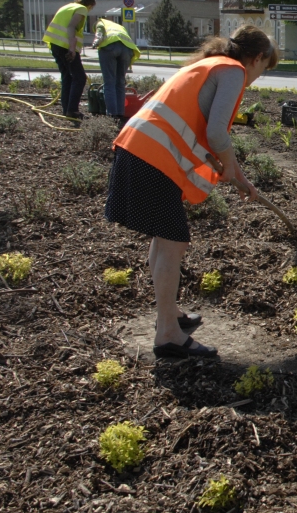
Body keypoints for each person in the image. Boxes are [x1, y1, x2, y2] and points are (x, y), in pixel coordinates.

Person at [104, 25, 277, 359]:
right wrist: (229, 165)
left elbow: (207, 135)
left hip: (137, 149)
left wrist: (236, 172)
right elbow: (215, 134)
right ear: (257, 58)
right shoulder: (233, 71)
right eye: (264, 69)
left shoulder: (207, 65)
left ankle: (172, 316)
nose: (258, 76)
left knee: (165, 236)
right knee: (174, 239)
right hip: (151, 156)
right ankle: (168, 334)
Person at [43, 0, 95, 118]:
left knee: (67, 77)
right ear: (90, 6)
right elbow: (71, 27)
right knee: (80, 77)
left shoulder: (66, 7)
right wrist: (72, 49)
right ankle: (72, 110)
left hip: (55, 45)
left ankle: (66, 109)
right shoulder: (81, 9)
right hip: (66, 46)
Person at [92, 17, 141, 120]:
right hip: (127, 49)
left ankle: (112, 115)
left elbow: (99, 32)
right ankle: (120, 113)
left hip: (109, 47)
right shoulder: (118, 26)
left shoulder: (100, 22)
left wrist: (96, 41)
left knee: (109, 82)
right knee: (120, 83)